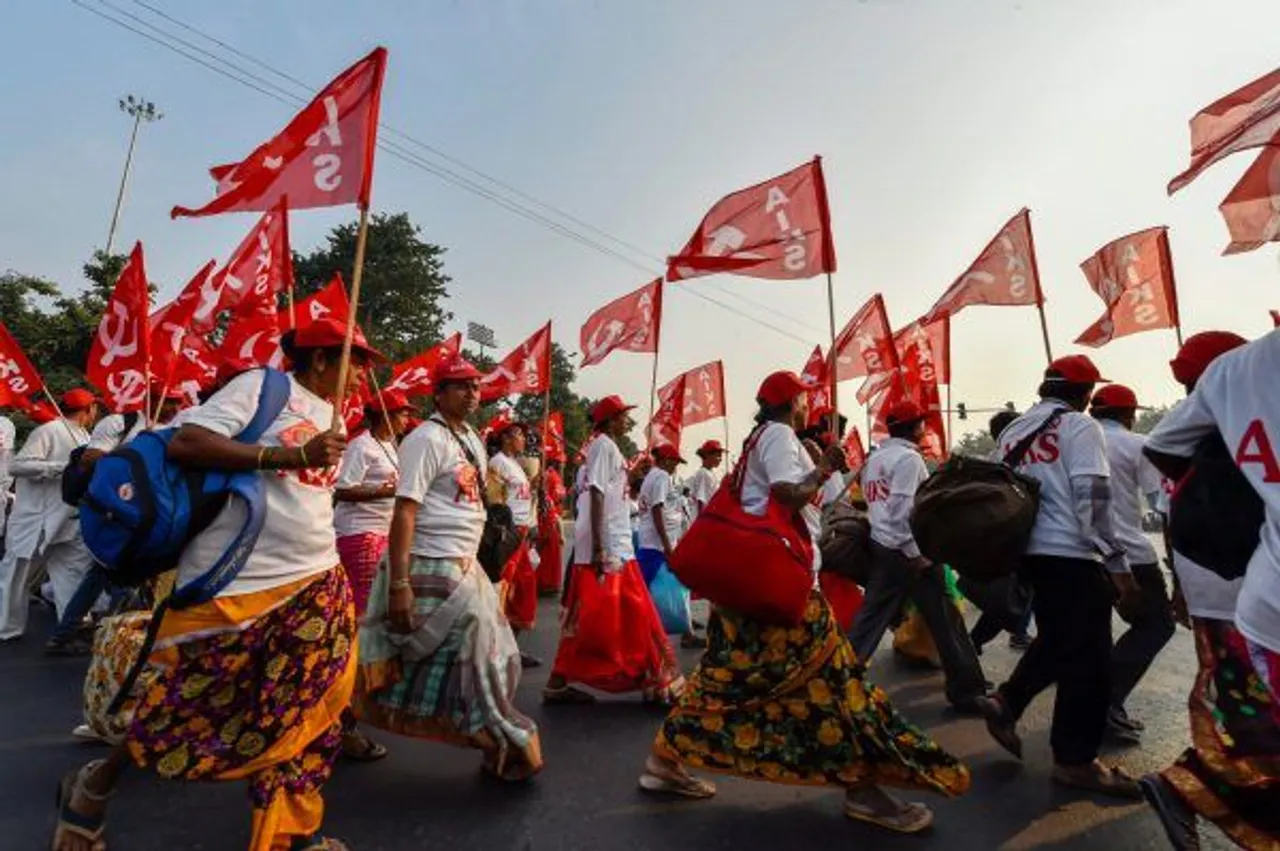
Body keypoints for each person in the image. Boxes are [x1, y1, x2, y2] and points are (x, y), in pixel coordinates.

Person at [49, 317, 375, 851]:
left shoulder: (337, 415)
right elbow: (187, 443)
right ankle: (90, 787)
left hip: (316, 580)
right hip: (236, 583)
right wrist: (288, 455)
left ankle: (290, 834)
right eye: (357, 360)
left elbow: (307, 493)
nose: (364, 374)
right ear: (320, 360)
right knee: (183, 707)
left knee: (313, 707)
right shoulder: (266, 388)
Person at [640, 371, 969, 834]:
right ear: (793, 401)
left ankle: (663, 761)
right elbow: (785, 495)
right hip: (779, 586)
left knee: (726, 677)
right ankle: (863, 789)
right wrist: (825, 468)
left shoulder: (764, 437)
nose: (806, 408)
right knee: (838, 682)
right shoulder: (776, 435)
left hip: (755, 589)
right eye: (803, 400)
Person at [356, 353, 543, 783]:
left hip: (466, 563)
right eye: (461, 385)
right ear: (438, 394)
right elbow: (405, 511)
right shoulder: (425, 438)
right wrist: (400, 584)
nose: (473, 393)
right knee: (465, 653)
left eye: (476, 386)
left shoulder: (473, 439)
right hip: (430, 562)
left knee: (484, 656)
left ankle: (488, 738)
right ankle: (500, 741)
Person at [976, 354, 1143, 799]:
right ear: (1086, 395)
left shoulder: (1014, 430)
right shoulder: (1079, 427)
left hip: (1028, 553)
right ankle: (1075, 762)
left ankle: (1006, 701)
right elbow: (1091, 498)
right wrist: (1118, 567)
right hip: (1069, 551)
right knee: (1091, 661)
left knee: (1060, 639)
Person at [1138, 330, 1279, 851]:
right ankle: (1189, 785)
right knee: (1252, 713)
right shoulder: (1227, 409)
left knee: (1247, 707)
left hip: (1221, 580)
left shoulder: (1212, 409)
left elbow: (1173, 506)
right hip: (1241, 582)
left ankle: (1191, 784)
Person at [849, 400, 989, 713]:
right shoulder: (908, 459)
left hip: (881, 545)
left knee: (869, 621)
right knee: (946, 620)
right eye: (922, 424)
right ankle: (967, 692)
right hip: (907, 550)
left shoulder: (876, 459)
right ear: (916, 428)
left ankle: (838, 680)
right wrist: (916, 554)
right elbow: (903, 512)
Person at [543, 396, 682, 705]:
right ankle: (656, 682)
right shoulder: (603, 445)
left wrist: (630, 477)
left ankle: (559, 680)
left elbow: (611, 491)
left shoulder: (606, 447)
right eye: (621, 416)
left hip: (612, 543)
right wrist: (598, 547)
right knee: (633, 611)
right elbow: (595, 492)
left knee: (591, 614)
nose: (626, 421)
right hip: (610, 546)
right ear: (608, 420)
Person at [46, 385, 189, 657]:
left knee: (103, 576)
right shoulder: (120, 423)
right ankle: (108, 637)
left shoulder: (177, 429)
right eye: (167, 401)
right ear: (151, 398)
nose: (173, 408)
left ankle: (68, 634)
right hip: (113, 514)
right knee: (121, 575)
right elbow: (91, 460)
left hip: (150, 518)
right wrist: (138, 453)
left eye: (177, 402)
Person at [1089, 384, 1174, 745]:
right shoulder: (1136, 445)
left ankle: (1098, 705)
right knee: (1156, 626)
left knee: (1090, 635)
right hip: (1130, 553)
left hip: (1082, 553)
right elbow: (1163, 504)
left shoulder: (1076, 441)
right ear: (1130, 414)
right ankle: (1106, 703)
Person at [0, 388, 98, 642]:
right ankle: (6, 628)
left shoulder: (84, 435)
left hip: (66, 519)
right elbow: (17, 465)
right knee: (16, 576)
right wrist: (60, 468)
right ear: (89, 410)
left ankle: (71, 628)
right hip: (36, 520)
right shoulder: (49, 430)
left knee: (72, 574)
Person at [334, 390, 414, 618]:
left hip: (385, 533)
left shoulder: (392, 446)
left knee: (379, 604)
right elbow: (342, 489)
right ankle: (360, 652)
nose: (407, 420)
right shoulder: (361, 446)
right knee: (365, 606)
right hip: (360, 534)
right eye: (402, 414)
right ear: (385, 415)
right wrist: (387, 491)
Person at [967, 408, 1033, 654]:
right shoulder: (1016, 459)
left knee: (1009, 598)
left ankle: (980, 640)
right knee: (1013, 598)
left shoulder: (992, 459)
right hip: (1017, 538)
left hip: (998, 540)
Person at [485, 414, 541, 666]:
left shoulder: (516, 464)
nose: (523, 440)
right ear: (506, 438)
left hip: (522, 534)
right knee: (502, 593)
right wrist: (507, 534)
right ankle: (495, 651)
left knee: (523, 592)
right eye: (519, 435)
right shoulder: (497, 463)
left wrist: (531, 525)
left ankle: (512, 649)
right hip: (508, 537)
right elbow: (495, 503)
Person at [535, 455, 567, 596]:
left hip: (550, 516)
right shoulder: (551, 476)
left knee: (549, 555)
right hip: (546, 517)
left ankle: (547, 583)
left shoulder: (555, 477)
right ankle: (545, 583)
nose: (563, 465)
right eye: (561, 463)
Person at [686, 440, 724, 518]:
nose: (720, 459)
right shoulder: (704, 474)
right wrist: (702, 523)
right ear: (707, 456)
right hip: (703, 518)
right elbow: (701, 500)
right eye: (718, 455)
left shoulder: (710, 473)